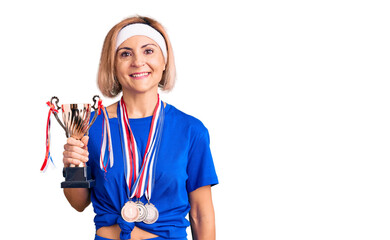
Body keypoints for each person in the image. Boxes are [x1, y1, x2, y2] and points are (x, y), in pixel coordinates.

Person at [62, 16, 218, 240]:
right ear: (113, 65)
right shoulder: (91, 125)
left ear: (164, 61)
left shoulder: (190, 130)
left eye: (148, 51)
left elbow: (201, 214)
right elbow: (78, 203)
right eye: (125, 53)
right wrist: (73, 167)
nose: (137, 61)